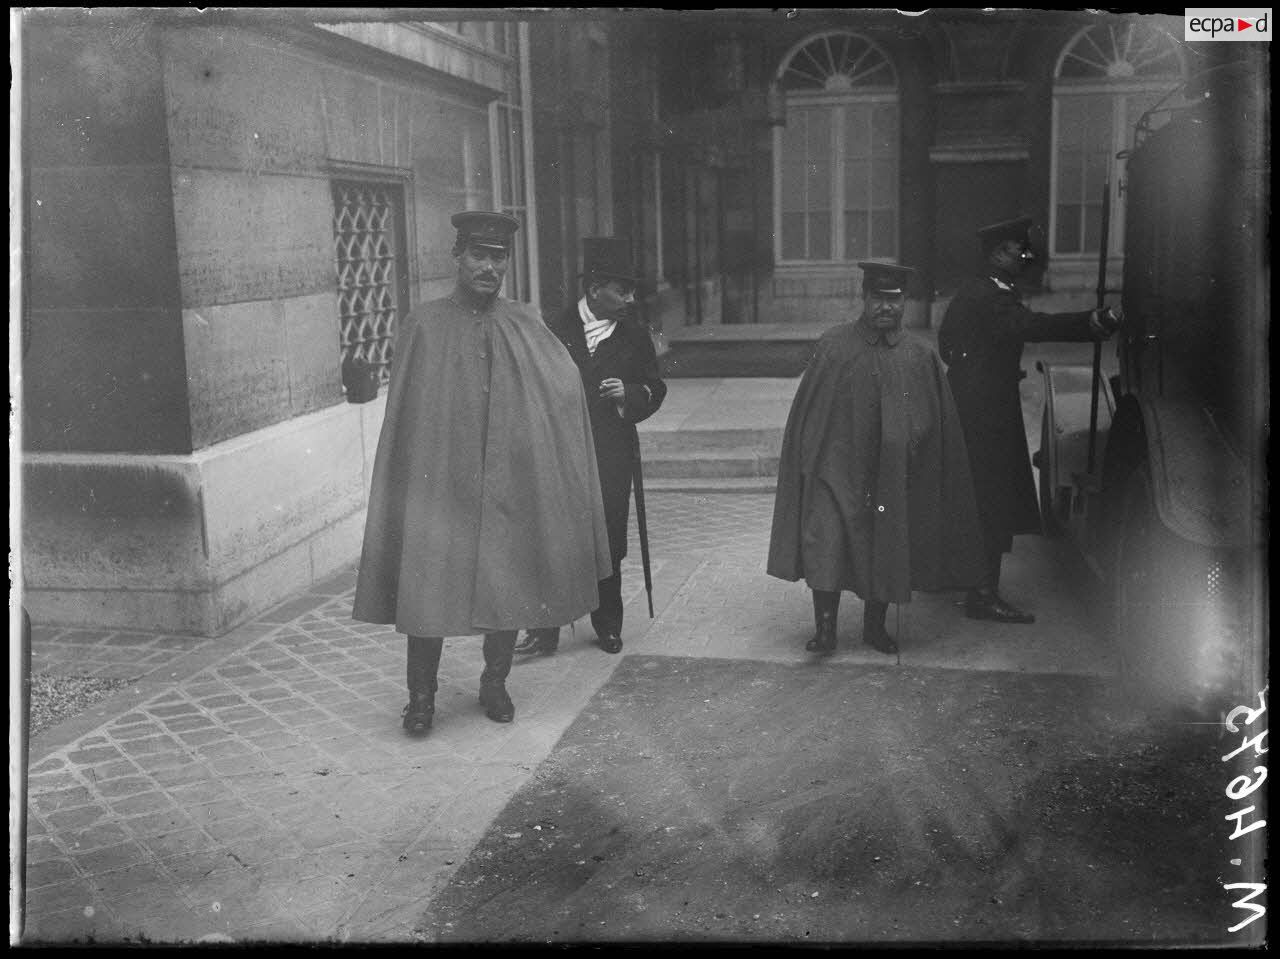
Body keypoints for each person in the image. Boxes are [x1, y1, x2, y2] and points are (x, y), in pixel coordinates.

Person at [352, 211, 613, 735]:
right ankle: (420, 698)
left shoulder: (525, 321)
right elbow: (404, 416)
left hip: (505, 484)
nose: (489, 266)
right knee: (429, 590)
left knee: (508, 584)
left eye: (498, 257)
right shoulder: (424, 323)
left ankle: (494, 684)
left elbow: (561, 389)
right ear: (457, 257)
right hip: (442, 486)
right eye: (479, 255)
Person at [768, 262, 986, 656]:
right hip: (835, 471)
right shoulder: (834, 346)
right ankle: (826, 630)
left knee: (885, 547)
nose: (886, 308)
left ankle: (874, 627)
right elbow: (809, 413)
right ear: (864, 299)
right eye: (877, 299)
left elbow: (935, 423)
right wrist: (811, 461)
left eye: (894, 300)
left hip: (891, 474)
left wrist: (911, 447)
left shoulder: (919, 357)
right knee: (827, 542)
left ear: (903, 302)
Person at [937, 215, 1120, 624]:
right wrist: (1090, 322)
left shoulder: (977, 291)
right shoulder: (992, 296)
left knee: (980, 494)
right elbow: (1030, 326)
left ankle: (973, 584)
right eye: (1018, 249)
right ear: (998, 253)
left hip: (974, 405)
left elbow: (947, 344)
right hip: (988, 413)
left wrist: (977, 368)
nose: (1025, 256)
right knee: (992, 498)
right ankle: (982, 595)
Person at [515, 237, 668, 658]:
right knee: (553, 537)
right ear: (596, 287)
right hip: (558, 451)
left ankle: (608, 624)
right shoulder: (554, 328)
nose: (630, 299)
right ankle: (545, 630)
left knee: (609, 538)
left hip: (610, 451)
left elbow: (656, 387)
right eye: (623, 290)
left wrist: (630, 394)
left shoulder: (635, 335)